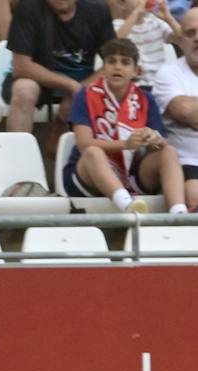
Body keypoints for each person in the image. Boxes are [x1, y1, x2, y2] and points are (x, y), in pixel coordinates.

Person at [63, 38, 189, 213]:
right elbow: (84, 144)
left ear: (136, 71)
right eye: (111, 61)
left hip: (133, 174)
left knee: (168, 151)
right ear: (103, 69)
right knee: (93, 151)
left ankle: (179, 212)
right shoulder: (85, 95)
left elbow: (163, 143)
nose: (117, 67)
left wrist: (152, 138)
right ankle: (127, 205)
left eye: (125, 62)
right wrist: (126, 144)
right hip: (89, 174)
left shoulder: (146, 98)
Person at [4, 0, 116, 133]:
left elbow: (114, 63)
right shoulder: (27, 7)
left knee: (118, 82)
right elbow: (21, 67)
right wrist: (70, 86)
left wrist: (82, 90)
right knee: (24, 90)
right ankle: (17, 151)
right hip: (39, 81)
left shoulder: (98, 9)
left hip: (84, 82)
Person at [151, 7, 198, 209]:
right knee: (194, 195)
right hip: (186, 163)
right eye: (190, 33)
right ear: (181, 40)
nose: (197, 38)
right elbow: (186, 112)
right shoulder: (168, 73)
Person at [110, 0, 181, 86]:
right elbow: (114, 44)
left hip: (159, 83)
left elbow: (182, 40)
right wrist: (136, 13)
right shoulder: (117, 25)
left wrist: (169, 18)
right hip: (133, 84)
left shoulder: (156, 23)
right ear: (122, 4)